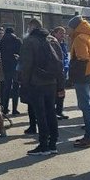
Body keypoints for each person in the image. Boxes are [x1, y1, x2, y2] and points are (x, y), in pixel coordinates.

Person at [20, 19, 61, 156]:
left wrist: (24, 84)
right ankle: (53, 143)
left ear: (32, 27)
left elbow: (26, 65)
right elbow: (59, 63)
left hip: (36, 82)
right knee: (51, 112)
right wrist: (60, 85)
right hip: (51, 82)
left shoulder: (29, 41)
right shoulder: (52, 40)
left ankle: (43, 145)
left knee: (40, 114)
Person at [68, 16, 90, 148]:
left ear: (75, 27)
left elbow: (82, 58)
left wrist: (72, 74)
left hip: (82, 76)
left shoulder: (80, 38)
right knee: (89, 104)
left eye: (69, 27)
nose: (68, 30)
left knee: (85, 105)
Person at [0, 27, 23, 116]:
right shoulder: (18, 40)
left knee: (6, 88)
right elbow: (22, 53)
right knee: (16, 88)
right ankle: (15, 109)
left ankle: (5, 108)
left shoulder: (2, 42)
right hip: (16, 67)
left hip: (6, 67)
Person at [51, 27, 70, 120]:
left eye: (64, 33)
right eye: (60, 33)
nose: (63, 35)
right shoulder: (52, 43)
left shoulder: (63, 44)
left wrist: (66, 66)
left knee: (61, 92)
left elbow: (65, 57)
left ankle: (59, 111)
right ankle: (52, 112)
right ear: (55, 33)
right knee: (54, 92)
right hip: (55, 72)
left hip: (62, 71)